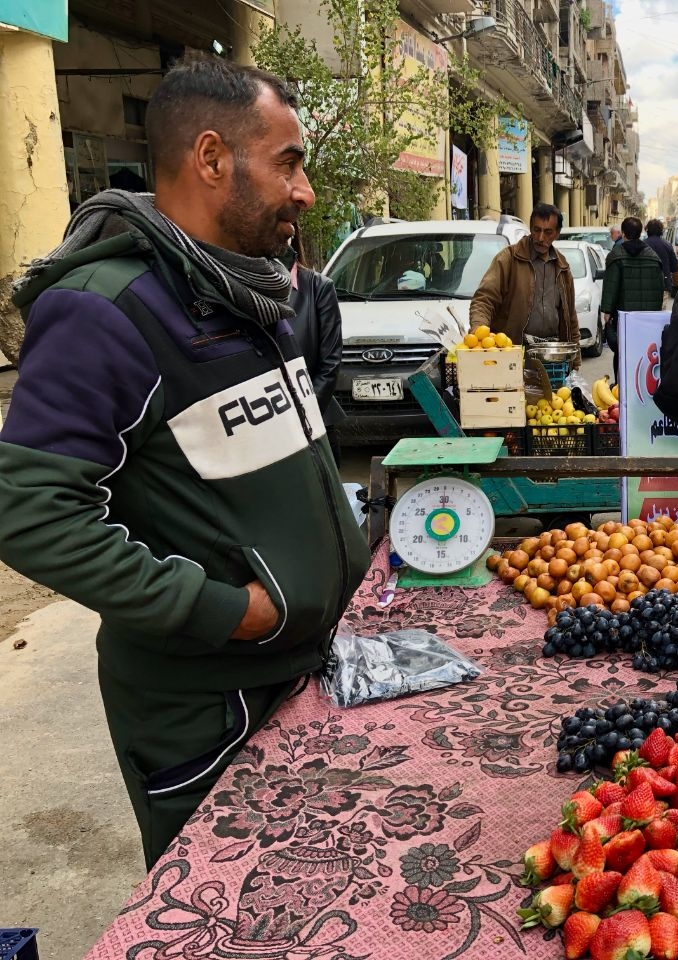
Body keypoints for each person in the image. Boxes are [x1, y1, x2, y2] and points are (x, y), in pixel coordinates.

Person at [0, 53, 370, 869]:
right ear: (211, 158)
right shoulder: (108, 310)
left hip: (298, 674)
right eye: (288, 162)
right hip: (211, 712)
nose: (303, 191)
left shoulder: (243, 293)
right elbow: (28, 513)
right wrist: (222, 610)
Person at [469, 202, 579, 363]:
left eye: (548, 232)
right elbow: (484, 299)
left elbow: (570, 317)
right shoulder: (508, 259)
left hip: (552, 355)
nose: (541, 238)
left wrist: (575, 360)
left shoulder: (562, 267)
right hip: (513, 353)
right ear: (531, 228)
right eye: (536, 230)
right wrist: (479, 329)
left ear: (557, 233)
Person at [284, 233, 345, 454]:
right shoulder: (243, 288)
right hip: (266, 425)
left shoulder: (318, 287)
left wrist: (305, 415)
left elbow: (330, 362)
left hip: (315, 418)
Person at [600, 216, 665, 376]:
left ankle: (621, 390)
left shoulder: (616, 256)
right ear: (641, 232)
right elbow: (659, 290)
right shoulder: (653, 257)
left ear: (622, 233)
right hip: (647, 320)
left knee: (622, 356)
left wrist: (607, 312)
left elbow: (611, 286)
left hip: (624, 320)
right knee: (645, 357)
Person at [644, 217, 678, 295]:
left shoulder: (642, 245)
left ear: (647, 230)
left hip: (644, 286)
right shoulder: (667, 245)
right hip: (663, 285)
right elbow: (674, 267)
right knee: (661, 306)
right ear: (661, 231)